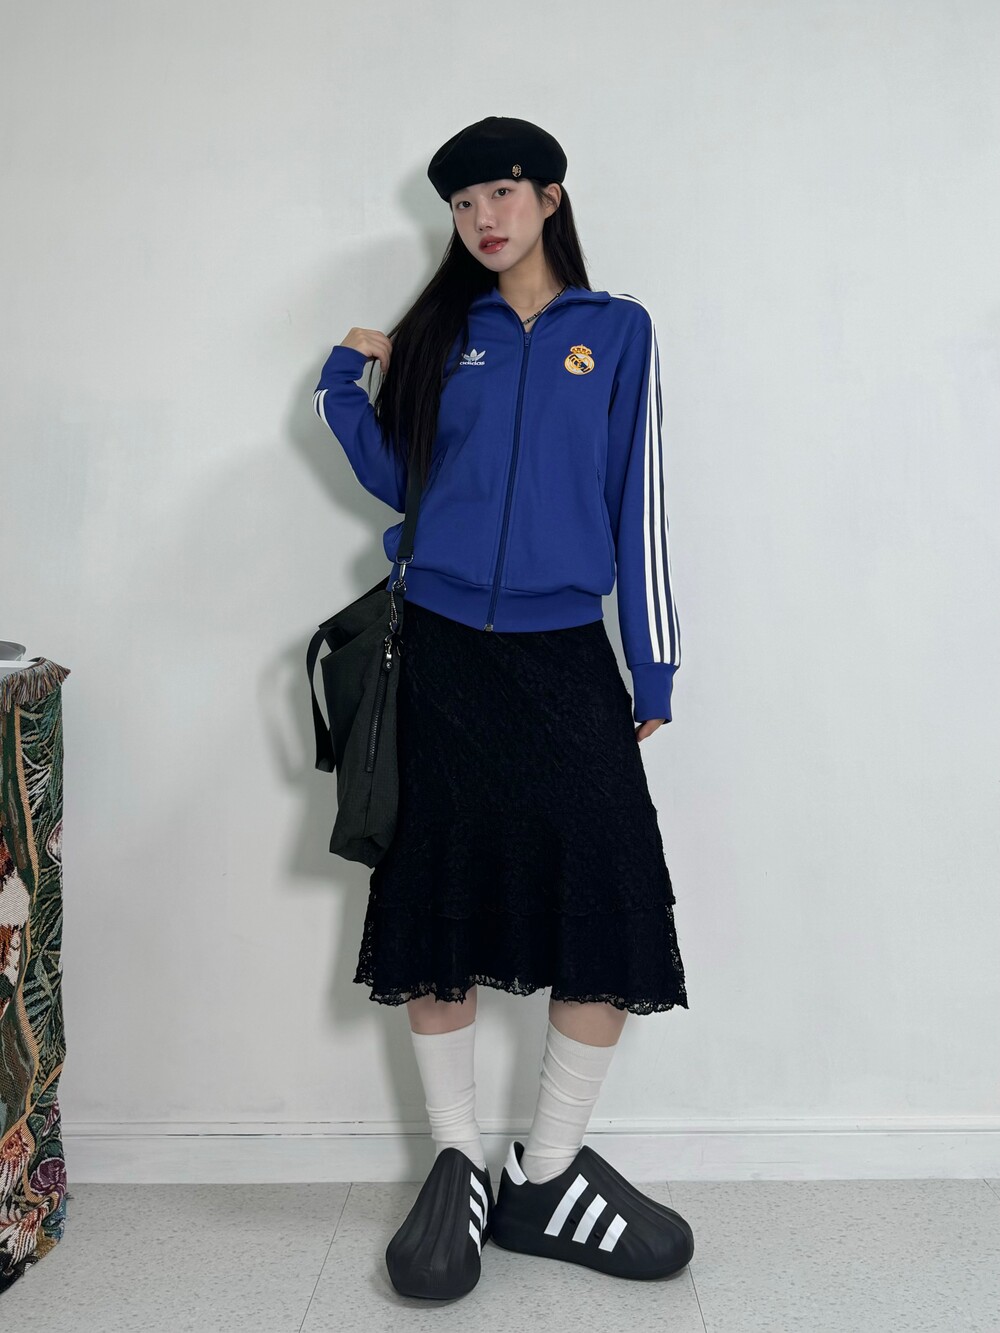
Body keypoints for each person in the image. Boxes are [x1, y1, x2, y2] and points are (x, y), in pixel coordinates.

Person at [312, 115, 694, 1300]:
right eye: (464, 201)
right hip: (440, 654)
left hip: (566, 656)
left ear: (550, 198)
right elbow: (401, 477)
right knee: (438, 903)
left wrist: (653, 664)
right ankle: (458, 1163)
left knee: (610, 897)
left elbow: (638, 498)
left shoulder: (616, 330)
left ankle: (548, 1169)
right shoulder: (445, 332)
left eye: (504, 193)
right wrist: (343, 384)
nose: (484, 217)